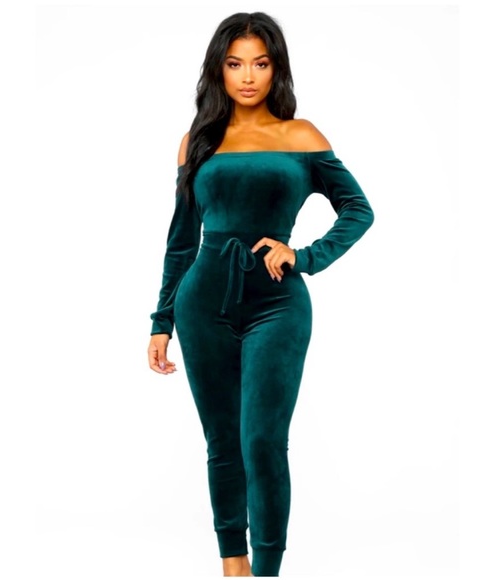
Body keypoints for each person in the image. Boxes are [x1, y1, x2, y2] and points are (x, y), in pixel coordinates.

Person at [147, 11, 374, 577]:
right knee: (223, 441)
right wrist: (161, 321)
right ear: (218, 70)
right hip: (203, 304)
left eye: (260, 63)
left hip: (278, 305)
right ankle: (234, 566)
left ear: (277, 69)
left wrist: (304, 255)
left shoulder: (302, 136)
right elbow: (181, 240)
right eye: (235, 64)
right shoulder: (197, 143)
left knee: (263, 440)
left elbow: (358, 209)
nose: (248, 76)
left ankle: (268, 570)